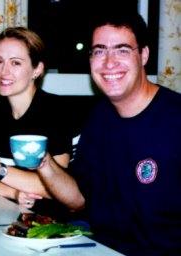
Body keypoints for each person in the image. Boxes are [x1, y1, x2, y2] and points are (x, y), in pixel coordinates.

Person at [36, 11, 181, 255]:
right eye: (100, 51)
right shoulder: (99, 116)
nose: (109, 62)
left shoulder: (175, 117)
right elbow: (79, 200)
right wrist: (44, 163)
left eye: (122, 50)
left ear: (144, 55)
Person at [0, 27, 74, 218]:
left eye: (16, 63)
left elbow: (56, 188)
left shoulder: (56, 110)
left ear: (37, 69)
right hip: (6, 215)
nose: (4, 71)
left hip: (52, 223)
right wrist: (13, 192)